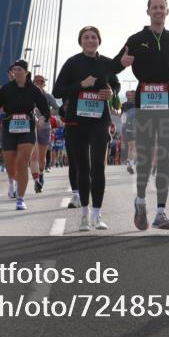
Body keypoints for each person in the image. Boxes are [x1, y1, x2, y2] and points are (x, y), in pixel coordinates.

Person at [113, 0, 169, 231]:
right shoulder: (137, 39)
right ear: (148, 11)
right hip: (145, 101)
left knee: (165, 156)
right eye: (154, 8)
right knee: (146, 155)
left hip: (166, 100)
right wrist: (122, 62)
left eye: (162, 7)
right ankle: (140, 200)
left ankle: (161, 212)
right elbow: (116, 64)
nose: (158, 11)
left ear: (167, 11)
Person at [53, 26, 121, 231]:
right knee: (83, 168)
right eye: (86, 37)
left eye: (93, 37)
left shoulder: (107, 63)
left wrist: (111, 92)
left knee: (98, 167)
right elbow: (57, 91)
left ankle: (97, 214)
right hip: (77, 121)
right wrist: (81, 84)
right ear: (80, 41)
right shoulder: (73, 63)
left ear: (99, 40)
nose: (90, 40)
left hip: (100, 121)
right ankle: (84, 213)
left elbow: (115, 86)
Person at [0, 60, 52, 210]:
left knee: (23, 162)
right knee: (10, 164)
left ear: (26, 73)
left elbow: (45, 109)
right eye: (14, 69)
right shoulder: (6, 89)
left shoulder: (34, 90)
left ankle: (20, 198)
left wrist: (44, 118)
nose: (16, 72)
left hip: (27, 128)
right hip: (9, 128)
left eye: (19, 69)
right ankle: (12, 181)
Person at [30, 74, 58, 192]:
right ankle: (36, 181)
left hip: (45, 127)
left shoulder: (48, 96)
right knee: (34, 155)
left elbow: (56, 109)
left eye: (41, 82)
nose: (39, 83)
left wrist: (47, 113)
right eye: (37, 81)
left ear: (44, 84)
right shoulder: (29, 95)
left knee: (42, 156)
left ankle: (41, 174)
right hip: (32, 127)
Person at [120, 90, 137, 174]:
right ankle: (131, 164)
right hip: (134, 128)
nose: (132, 96)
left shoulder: (125, 105)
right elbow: (123, 118)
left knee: (131, 147)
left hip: (129, 128)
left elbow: (122, 118)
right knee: (134, 147)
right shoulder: (140, 104)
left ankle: (130, 164)